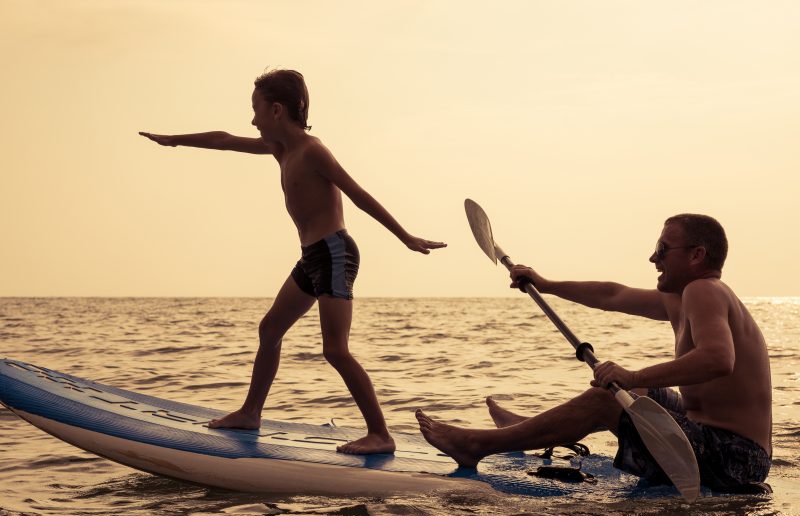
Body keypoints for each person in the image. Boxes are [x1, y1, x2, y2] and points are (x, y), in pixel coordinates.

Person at [141, 68, 446, 455]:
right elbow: (224, 140)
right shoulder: (279, 148)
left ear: (277, 110)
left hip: (335, 252)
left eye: (256, 109)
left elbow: (357, 193)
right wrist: (174, 141)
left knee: (335, 349)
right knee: (269, 330)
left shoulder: (312, 150)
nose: (252, 119)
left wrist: (405, 237)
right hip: (312, 257)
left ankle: (380, 434)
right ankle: (251, 412)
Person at [416, 214, 772, 491]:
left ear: (697, 255)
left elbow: (718, 359)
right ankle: (525, 429)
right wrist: (548, 285)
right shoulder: (685, 297)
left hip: (736, 459)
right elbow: (610, 295)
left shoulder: (703, 290)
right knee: (637, 395)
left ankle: (476, 444)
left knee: (608, 399)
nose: (653, 258)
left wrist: (631, 376)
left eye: (663, 250)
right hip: (715, 438)